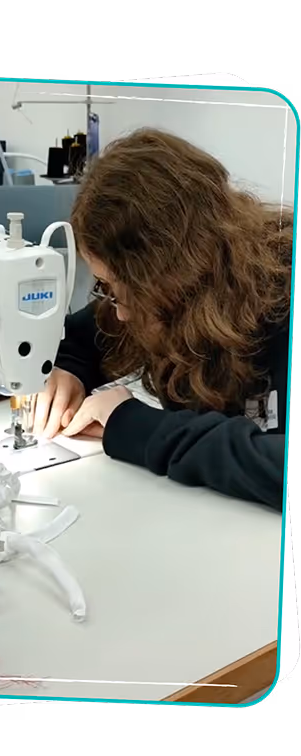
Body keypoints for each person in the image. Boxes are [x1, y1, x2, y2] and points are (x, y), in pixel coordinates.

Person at [32, 128, 292, 510]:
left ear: (174, 272)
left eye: (124, 290)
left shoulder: (284, 299)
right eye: (107, 287)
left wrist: (134, 426)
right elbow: (91, 332)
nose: (119, 311)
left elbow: (278, 469)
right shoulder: (174, 295)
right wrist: (66, 368)